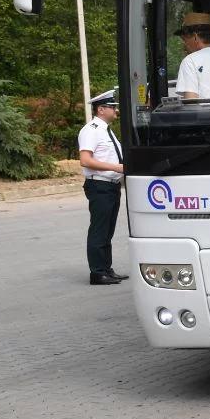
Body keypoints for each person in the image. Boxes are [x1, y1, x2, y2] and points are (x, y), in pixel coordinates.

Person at [78, 90, 127, 286]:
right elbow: (85, 160)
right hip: (99, 185)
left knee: (108, 230)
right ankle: (97, 273)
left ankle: (106, 269)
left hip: (111, 185)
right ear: (101, 109)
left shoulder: (106, 130)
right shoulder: (91, 130)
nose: (116, 110)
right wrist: (117, 168)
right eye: (112, 107)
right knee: (99, 230)